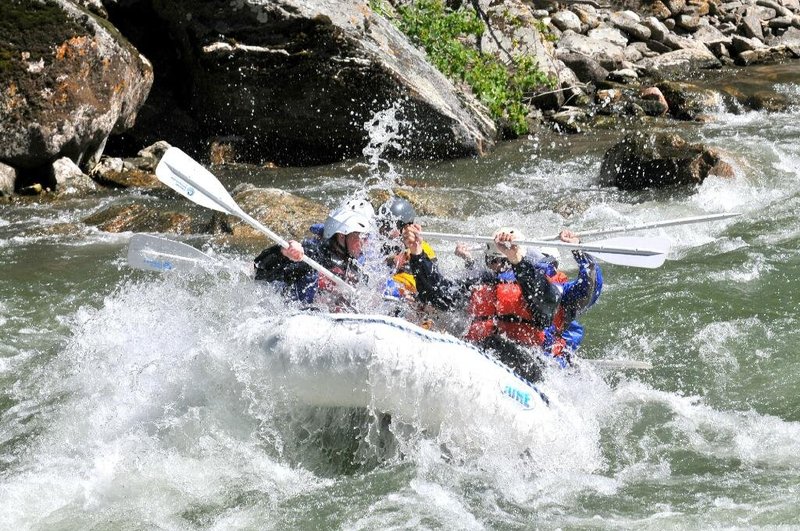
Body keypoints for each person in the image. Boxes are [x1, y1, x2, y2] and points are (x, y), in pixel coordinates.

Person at [402, 224, 562, 383]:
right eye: (491, 260)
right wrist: (418, 254)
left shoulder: (536, 286)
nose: (495, 265)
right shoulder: (478, 284)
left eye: (500, 260)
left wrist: (518, 262)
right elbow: (437, 295)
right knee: (486, 343)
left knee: (495, 343)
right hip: (480, 358)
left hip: (526, 364)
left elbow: (546, 310)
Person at [253, 201, 374, 305]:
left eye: (367, 237)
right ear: (342, 236)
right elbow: (259, 270)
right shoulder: (312, 255)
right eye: (362, 236)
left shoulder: (355, 262)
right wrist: (284, 252)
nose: (366, 242)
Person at [534, 230, 603, 366]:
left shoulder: (563, 292)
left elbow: (590, 285)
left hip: (549, 358)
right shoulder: (517, 281)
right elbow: (591, 285)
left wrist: (579, 250)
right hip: (526, 350)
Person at [376, 197, 436, 300]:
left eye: (388, 226)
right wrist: (390, 261)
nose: (383, 230)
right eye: (381, 225)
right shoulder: (381, 244)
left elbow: (430, 283)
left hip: (409, 298)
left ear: (406, 227)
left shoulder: (422, 249)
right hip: (388, 292)